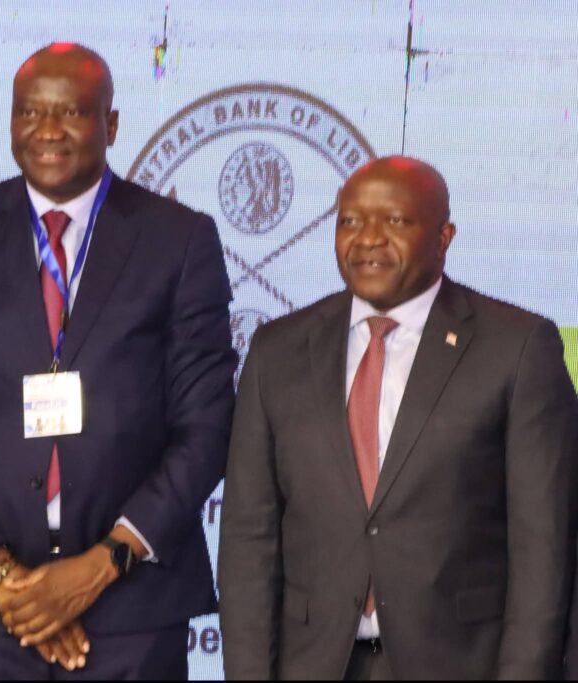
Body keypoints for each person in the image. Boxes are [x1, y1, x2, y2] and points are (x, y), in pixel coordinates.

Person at [0, 43, 236, 679]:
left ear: (111, 124)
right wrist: (5, 577)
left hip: (131, 606)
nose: (47, 131)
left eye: (70, 112)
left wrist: (100, 566)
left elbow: (206, 429)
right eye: (29, 112)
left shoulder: (179, 240)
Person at [218, 155, 578, 679]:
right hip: (313, 664)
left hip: (459, 664)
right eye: (350, 220)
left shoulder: (517, 348)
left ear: (444, 237)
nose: (368, 238)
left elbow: (543, 546)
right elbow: (248, 537)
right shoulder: (278, 350)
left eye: (395, 221)